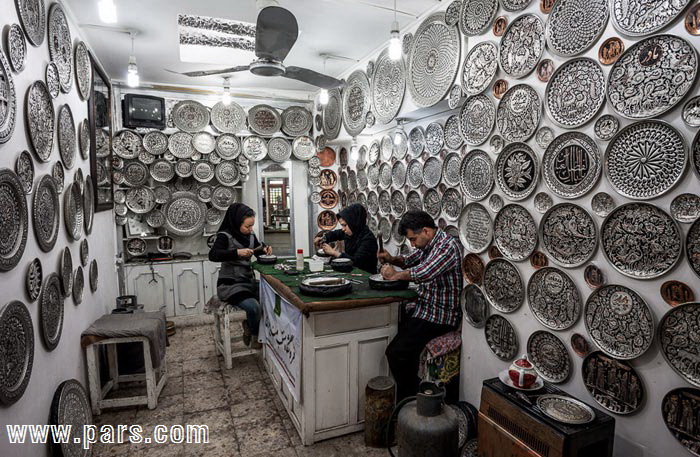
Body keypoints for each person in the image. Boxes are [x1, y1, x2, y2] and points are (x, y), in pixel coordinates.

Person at [377, 210, 463, 400]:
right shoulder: (428, 244)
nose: (412, 244)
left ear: (426, 231)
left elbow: (423, 271)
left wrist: (395, 275)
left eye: (413, 239)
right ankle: (410, 394)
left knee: (395, 353)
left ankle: (411, 399)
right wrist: (392, 259)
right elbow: (409, 260)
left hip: (440, 316)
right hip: (425, 309)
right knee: (396, 331)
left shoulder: (447, 246)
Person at [208, 203, 272, 349]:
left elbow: (258, 251)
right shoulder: (224, 236)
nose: (250, 230)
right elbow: (213, 255)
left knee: (271, 296)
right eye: (247, 226)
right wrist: (237, 252)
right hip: (230, 285)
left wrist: (265, 250)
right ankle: (256, 335)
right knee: (254, 307)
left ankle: (250, 325)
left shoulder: (250, 235)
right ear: (237, 222)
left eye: (252, 226)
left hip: (248, 281)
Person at [313, 203, 379, 274]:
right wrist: (323, 238)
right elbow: (336, 234)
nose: (343, 229)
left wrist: (334, 253)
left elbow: (356, 261)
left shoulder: (368, 239)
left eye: (345, 225)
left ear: (354, 223)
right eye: (342, 225)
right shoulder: (352, 232)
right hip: (352, 272)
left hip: (366, 275)